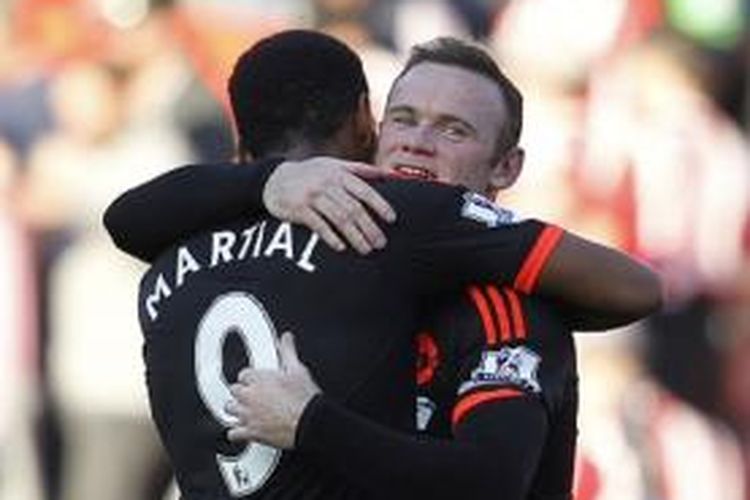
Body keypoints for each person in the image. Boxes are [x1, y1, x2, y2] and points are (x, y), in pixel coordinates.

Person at [104, 32, 661, 499]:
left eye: (453, 129)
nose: (418, 143)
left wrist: (313, 423)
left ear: (507, 167)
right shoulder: (364, 245)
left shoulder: (500, 303)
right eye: (405, 119)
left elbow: (492, 482)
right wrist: (272, 182)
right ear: (369, 128)